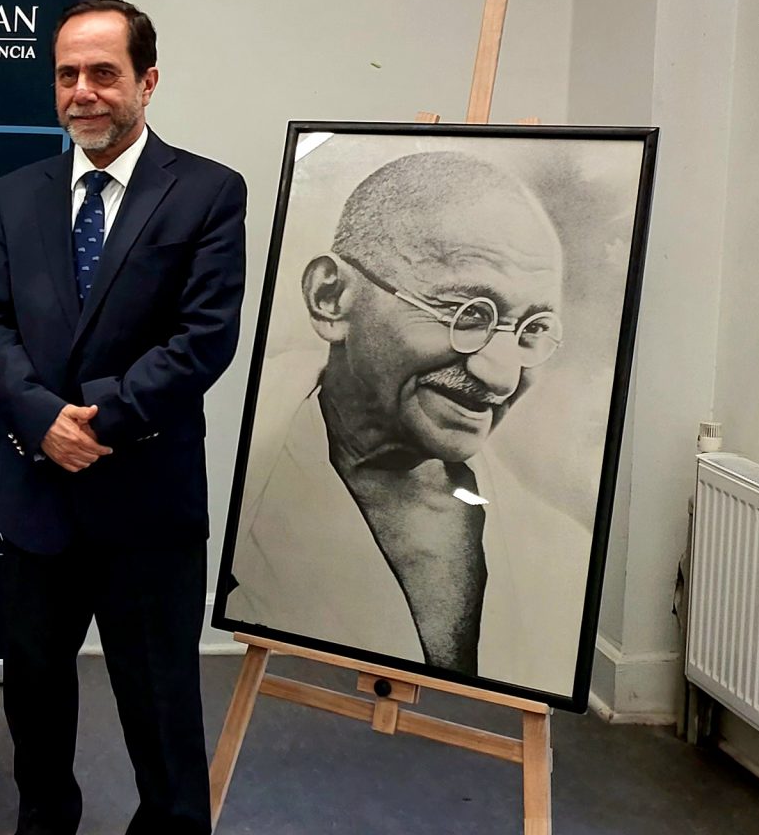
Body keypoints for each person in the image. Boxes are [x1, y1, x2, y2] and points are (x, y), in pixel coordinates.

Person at [0, 0, 247, 835]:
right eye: (67, 75)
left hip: (146, 497)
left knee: (161, 703)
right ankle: (45, 821)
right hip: (38, 494)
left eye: (103, 73)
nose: (82, 91)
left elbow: (203, 339)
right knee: (35, 695)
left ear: (147, 82)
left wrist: (96, 422)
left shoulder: (207, 192)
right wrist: (43, 420)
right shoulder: (16, 194)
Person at [230, 149, 579, 689]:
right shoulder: (235, 480)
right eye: (467, 313)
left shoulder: (561, 553)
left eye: (533, 328)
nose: (502, 377)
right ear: (331, 298)